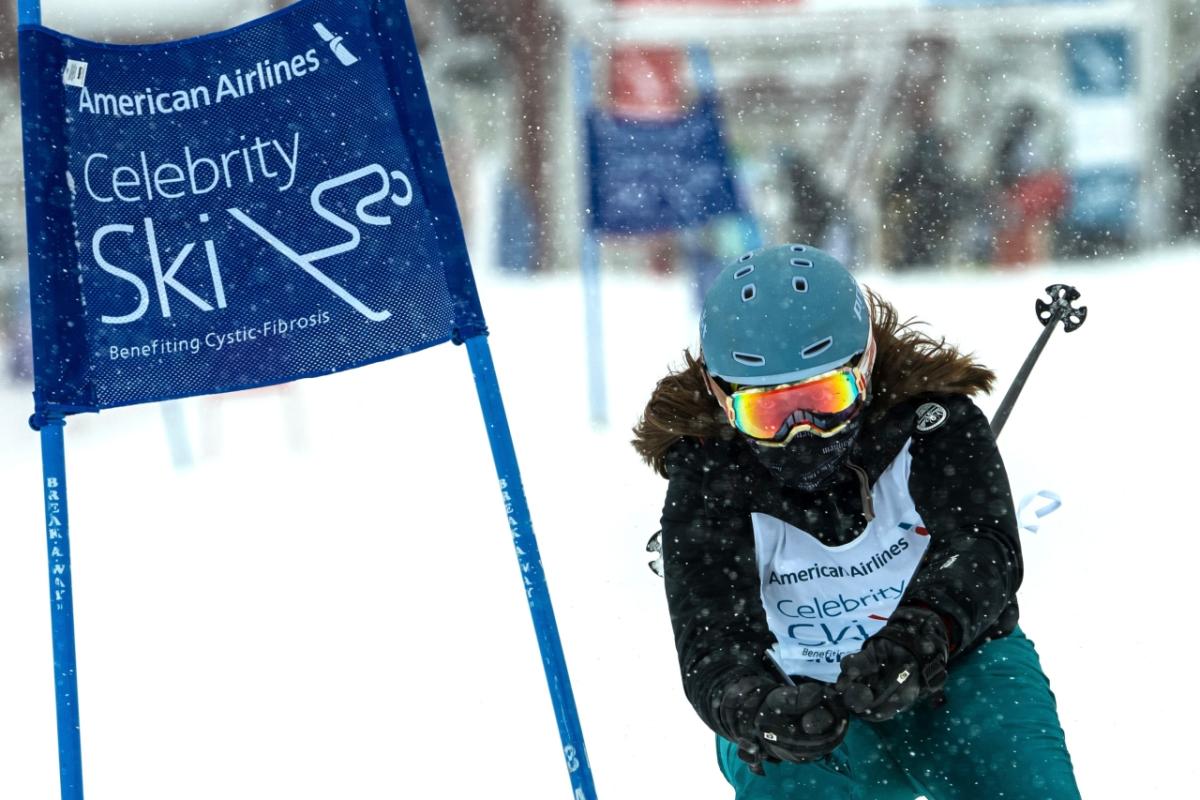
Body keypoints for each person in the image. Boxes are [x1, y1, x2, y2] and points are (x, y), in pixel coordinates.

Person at [632, 244, 1079, 799]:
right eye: (767, 413)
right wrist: (755, 708)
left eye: (826, 397)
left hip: (957, 672)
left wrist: (921, 636)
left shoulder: (935, 425)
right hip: (800, 708)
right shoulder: (707, 479)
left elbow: (988, 550)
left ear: (865, 364)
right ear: (724, 399)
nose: (804, 433)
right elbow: (712, 642)